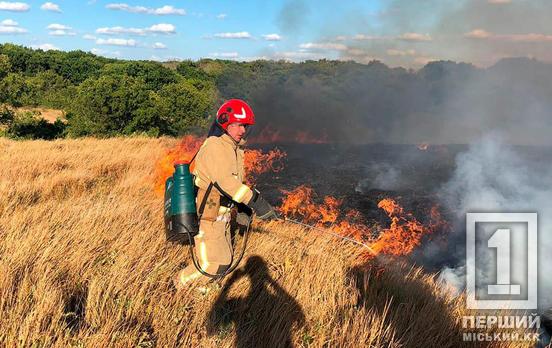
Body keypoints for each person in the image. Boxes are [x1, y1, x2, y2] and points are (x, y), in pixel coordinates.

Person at [173, 99, 278, 290]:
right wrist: (256, 202)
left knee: (226, 259)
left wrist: (242, 208)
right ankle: (178, 285)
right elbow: (226, 183)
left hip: (220, 213)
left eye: (244, 126)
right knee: (212, 264)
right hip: (208, 213)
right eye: (238, 125)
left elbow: (234, 183)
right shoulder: (215, 146)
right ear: (225, 123)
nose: (242, 131)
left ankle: (200, 292)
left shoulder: (232, 147)